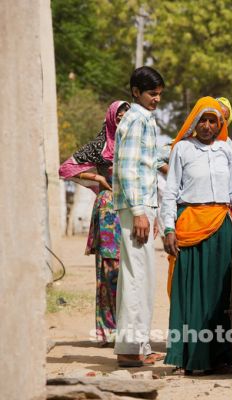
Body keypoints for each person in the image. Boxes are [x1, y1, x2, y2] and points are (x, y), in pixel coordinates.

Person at [161, 96, 232, 374]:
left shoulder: (226, 149)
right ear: (194, 122)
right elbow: (170, 193)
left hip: (221, 229)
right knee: (192, 296)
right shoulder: (182, 149)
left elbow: (230, 191)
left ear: (220, 124)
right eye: (202, 120)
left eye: (212, 121)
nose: (206, 125)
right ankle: (191, 358)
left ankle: (222, 356)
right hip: (190, 227)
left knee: (224, 295)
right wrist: (169, 229)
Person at [58, 100, 130, 346]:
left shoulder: (134, 143)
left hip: (132, 208)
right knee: (109, 271)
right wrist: (97, 176)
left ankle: (128, 330)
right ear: (111, 116)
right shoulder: (101, 144)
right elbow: (65, 169)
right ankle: (107, 331)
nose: (122, 117)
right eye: (118, 114)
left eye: (126, 114)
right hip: (109, 212)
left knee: (130, 272)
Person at [112, 66, 165, 367]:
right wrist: (139, 212)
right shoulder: (134, 119)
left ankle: (139, 346)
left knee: (143, 278)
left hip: (144, 206)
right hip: (136, 208)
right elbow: (127, 169)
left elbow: (149, 162)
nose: (156, 99)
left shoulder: (146, 119)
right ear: (135, 92)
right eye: (151, 94)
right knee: (136, 277)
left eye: (159, 94)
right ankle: (130, 350)